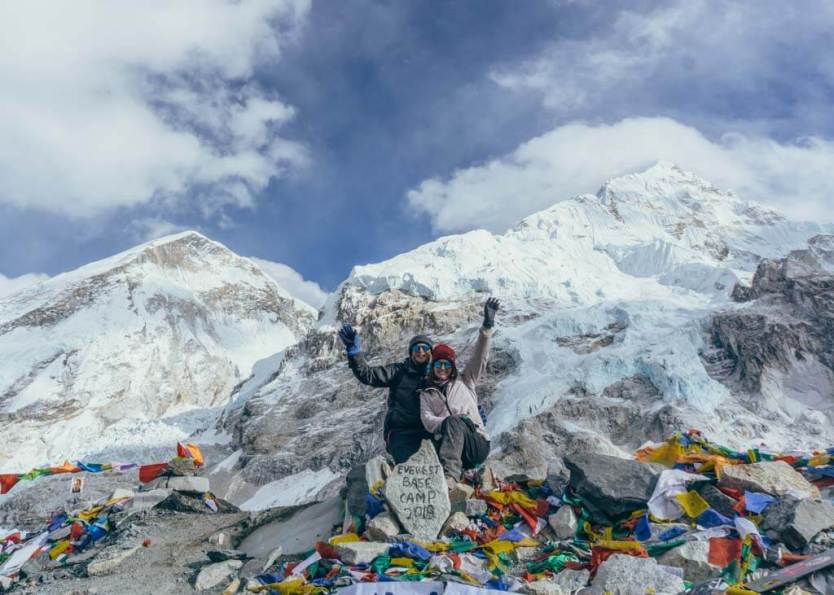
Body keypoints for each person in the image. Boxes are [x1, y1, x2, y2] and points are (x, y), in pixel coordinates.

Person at [420, 298, 499, 484]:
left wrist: (487, 328)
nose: (442, 368)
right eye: (438, 364)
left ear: (452, 366)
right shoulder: (426, 393)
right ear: (433, 367)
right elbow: (427, 419)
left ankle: (450, 479)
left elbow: (480, 357)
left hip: (476, 443)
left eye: (446, 364)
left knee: (455, 423)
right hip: (449, 442)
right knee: (443, 430)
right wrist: (448, 422)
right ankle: (455, 474)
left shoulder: (466, 380)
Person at [338, 323, 433, 464]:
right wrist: (354, 353)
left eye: (425, 348)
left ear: (431, 352)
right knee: (410, 467)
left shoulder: (435, 375)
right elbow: (367, 375)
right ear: (411, 352)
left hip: (428, 432)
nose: (420, 351)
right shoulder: (398, 371)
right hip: (401, 433)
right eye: (416, 348)